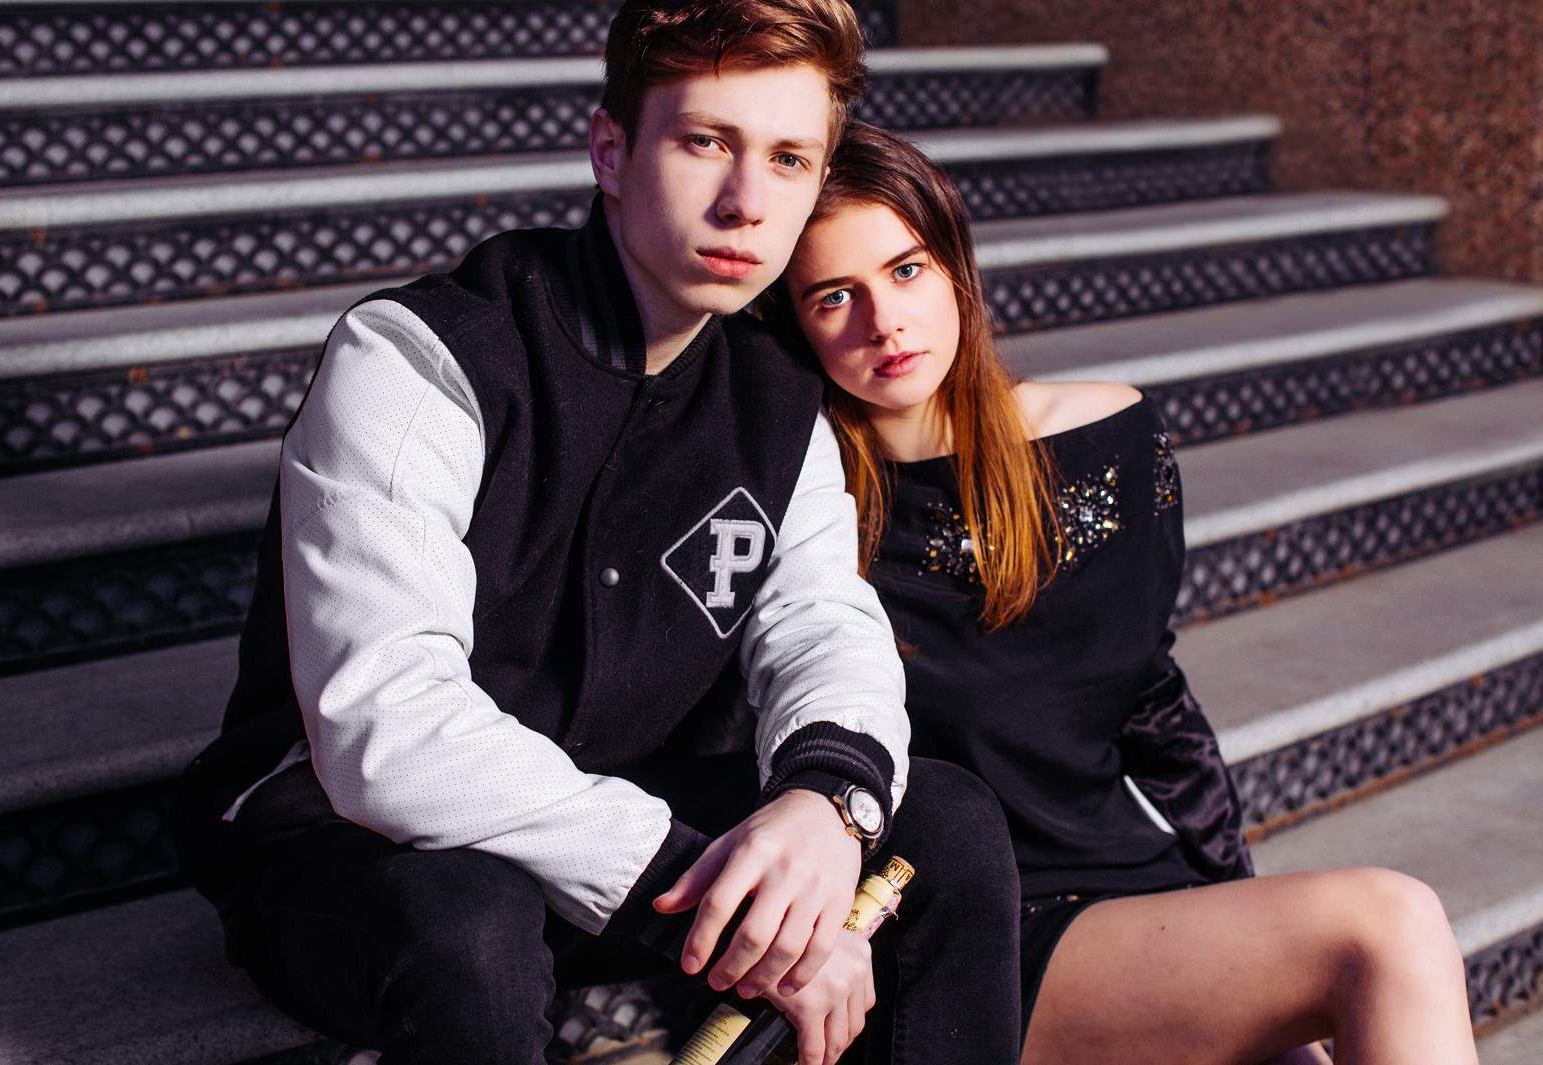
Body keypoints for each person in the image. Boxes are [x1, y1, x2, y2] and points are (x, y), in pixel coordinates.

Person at [169, 5, 1023, 1065]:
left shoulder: (774, 394)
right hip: (349, 840)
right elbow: (386, 728)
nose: (746, 201)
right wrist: (714, 896)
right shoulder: (418, 358)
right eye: (704, 141)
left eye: (788, 158)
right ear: (610, 151)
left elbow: (823, 625)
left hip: (615, 821)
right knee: (469, 921)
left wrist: (824, 805)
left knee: (941, 822)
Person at [765, 120, 1480, 1065]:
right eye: (834, 296)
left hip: (1131, 888)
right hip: (965, 932)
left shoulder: (1109, 442)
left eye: (906, 270)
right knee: (1389, 924)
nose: (884, 322)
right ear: (796, 324)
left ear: (956, 270)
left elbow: (1152, 701)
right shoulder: (808, 516)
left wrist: (1237, 917)